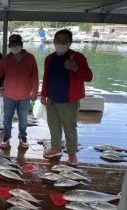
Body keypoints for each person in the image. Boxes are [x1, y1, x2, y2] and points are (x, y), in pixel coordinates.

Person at [41, 29, 93, 166]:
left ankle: (72, 154)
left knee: (70, 128)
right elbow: (46, 78)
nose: (61, 43)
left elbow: (89, 77)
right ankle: (55, 148)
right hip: (52, 100)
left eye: (65, 41)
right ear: (54, 42)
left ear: (70, 42)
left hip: (69, 101)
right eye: (58, 40)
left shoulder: (78, 57)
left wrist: (75, 68)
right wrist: (43, 94)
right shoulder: (49, 58)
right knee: (53, 126)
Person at [0, 34, 39, 149]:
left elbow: (35, 75)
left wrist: (35, 92)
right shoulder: (6, 59)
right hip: (9, 95)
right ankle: (6, 136)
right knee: (7, 118)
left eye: (16, 44)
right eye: (12, 45)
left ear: (21, 45)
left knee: (23, 119)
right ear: (9, 46)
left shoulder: (30, 58)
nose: (14, 47)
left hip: (24, 96)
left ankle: (22, 136)